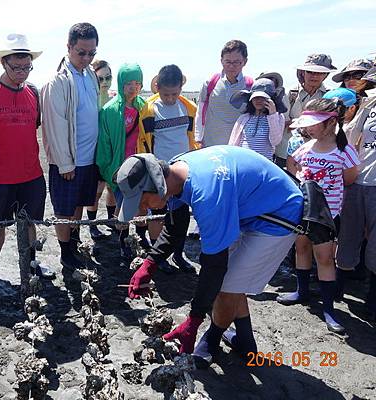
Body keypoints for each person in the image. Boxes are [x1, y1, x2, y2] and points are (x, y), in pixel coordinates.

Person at [120, 147, 303, 361]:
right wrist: (149, 263)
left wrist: (193, 321)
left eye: (141, 201)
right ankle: (245, 341)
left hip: (279, 215)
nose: (141, 209)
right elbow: (175, 228)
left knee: (226, 286)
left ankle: (212, 339)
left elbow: (214, 266)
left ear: (157, 187)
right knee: (233, 280)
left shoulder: (207, 195)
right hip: (247, 207)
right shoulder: (175, 170)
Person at [0, 34, 53, 286]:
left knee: (28, 224)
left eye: (27, 67)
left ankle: (31, 264)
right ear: (3, 63)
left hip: (31, 174)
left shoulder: (34, 92)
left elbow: (33, 126)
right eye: (17, 67)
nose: (22, 72)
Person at [276, 96, 360, 334]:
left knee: (324, 258)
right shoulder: (306, 147)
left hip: (328, 214)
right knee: (301, 249)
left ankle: (329, 307)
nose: (308, 128)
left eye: (313, 123)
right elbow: (291, 163)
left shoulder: (344, 150)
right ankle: (301, 292)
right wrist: (301, 177)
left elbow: (351, 177)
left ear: (331, 122)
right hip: (304, 211)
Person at [41, 22, 100, 271]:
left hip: (89, 158)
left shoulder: (90, 75)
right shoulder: (59, 81)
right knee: (64, 210)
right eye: (82, 52)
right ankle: (66, 254)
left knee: (78, 205)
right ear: (69, 47)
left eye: (92, 53)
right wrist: (65, 163)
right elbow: (54, 125)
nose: (87, 58)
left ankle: (74, 244)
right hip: (69, 160)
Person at [137, 64, 198, 273]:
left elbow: (192, 139)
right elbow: (143, 143)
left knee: (181, 215)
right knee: (158, 214)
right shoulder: (149, 110)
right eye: (166, 94)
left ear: (181, 87)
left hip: (183, 171)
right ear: (157, 87)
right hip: (159, 172)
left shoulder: (189, 108)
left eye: (175, 93)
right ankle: (158, 256)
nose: (171, 98)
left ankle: (178, 255)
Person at [96, 63, 147, 264]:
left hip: (141, 167)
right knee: (123, 208)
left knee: (142, 205)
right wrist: (109, 169)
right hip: (120, 168)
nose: (133, 87)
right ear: (120, 84)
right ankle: (124, 242)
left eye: (137, 83)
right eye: (128, 83)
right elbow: (104, 143)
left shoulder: (144, 107)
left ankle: (141, 239)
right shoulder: (109, 111)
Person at [336, 66, 376, 320]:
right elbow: (350, 137)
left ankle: (372, 301)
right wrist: (359, 110)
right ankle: (336, 290)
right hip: (359, 180)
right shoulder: (369, 106)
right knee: (348, 236)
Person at [273, 54, 336, 167]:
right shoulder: (289, 93)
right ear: (303, 72)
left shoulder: (331, 95)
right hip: (286, 154)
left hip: (318, 156)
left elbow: (332, 126)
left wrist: (297, 123)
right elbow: (283, 123)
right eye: (310, 72)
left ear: (326, 75)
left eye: (319, 73)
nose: (314, 76)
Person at [194, 40, 253, 148]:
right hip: (211, 144)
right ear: (221, 61)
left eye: (236, 62)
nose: (231, 66)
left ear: (245, 61)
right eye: (228, 62)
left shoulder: (250, 86)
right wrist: (198, 137)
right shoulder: (210, 83)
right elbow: (200, 111)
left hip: (238, 146)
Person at [86, 59, 116, 239]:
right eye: (101, 79)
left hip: (111, 150)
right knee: (96, 190)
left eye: (108, 77)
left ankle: (111, 220)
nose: (105, 82)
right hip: (94, 151)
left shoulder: (113, 98)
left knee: (112, 187)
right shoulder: (90, 97)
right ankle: (92, 224)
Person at [228, 78, 287, 159]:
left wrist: (272, 115)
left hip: (263, 163)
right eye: (255, 97)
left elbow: (275, 141)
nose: (258, 100)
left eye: (263, 97)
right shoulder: (244, 117)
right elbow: (233, 142)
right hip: (242, 160)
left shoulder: (278, 117)